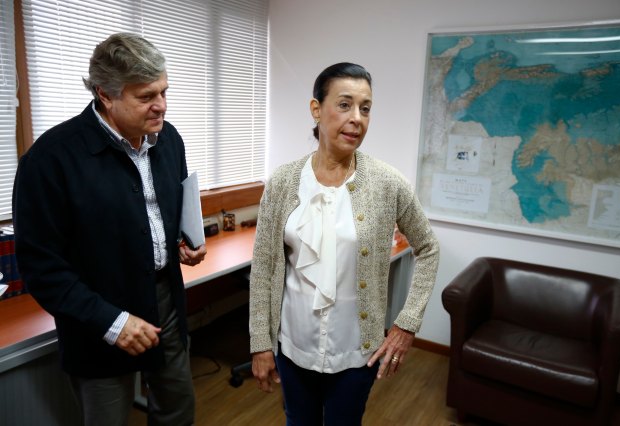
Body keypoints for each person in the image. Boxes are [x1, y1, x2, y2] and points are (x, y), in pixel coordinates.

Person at [12, 33, 207, 426]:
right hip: (96, 317)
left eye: (164, 91)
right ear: (105, 94)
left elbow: (159, 211)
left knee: (178, 411)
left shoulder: (168, 140)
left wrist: (180, 241)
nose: (162, 106)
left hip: (165, 299)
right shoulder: (49, 160)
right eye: (146, 96)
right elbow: (41, 268)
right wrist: (111, 323)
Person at [249, 62, 440, 425]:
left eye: (365, 108)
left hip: (355, 354)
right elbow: (264, 268)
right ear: (316, 109)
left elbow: (429, 248)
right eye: (345, 104)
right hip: (293, 348)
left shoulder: (388, 183)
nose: (357, 118)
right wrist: (261, 343)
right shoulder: (283, 182)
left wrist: (406, 324)